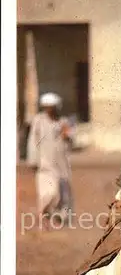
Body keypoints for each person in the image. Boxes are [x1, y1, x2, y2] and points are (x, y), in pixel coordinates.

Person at [27, 93, 74, 231]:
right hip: (44, 164)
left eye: (52, 107)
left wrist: (67, 135)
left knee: (62, 194)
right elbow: (32, 141)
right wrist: (33, 161)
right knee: (48, 193)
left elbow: (71, 140)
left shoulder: (63, 121)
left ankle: (56, 218)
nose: (49, 110)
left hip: (61, 164)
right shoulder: (38, 120)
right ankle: (43, 216)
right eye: (46, 107)